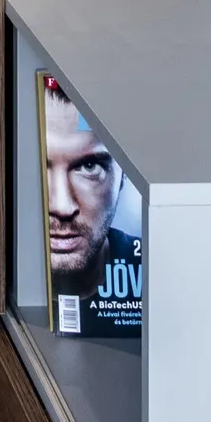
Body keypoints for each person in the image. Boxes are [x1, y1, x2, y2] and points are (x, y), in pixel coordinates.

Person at [41, 77, 142, 323]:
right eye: (40, 164)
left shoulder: (160, 271)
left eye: (89, 166)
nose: (61, 206)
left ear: (125, 172)